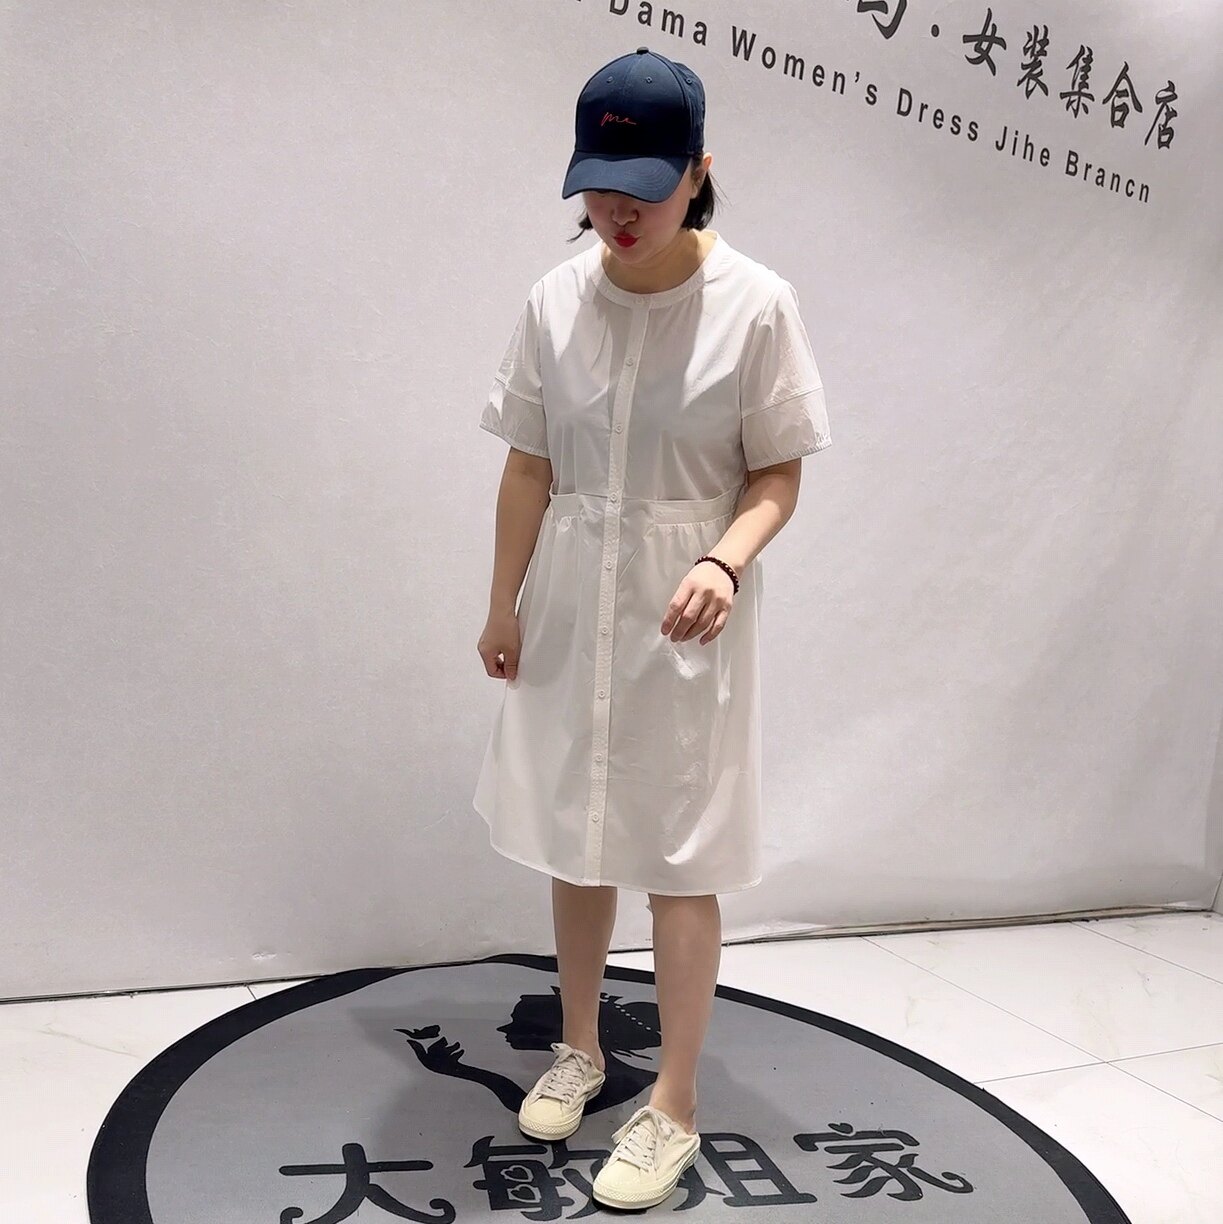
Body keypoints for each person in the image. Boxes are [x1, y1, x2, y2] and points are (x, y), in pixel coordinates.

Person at [473, 47, 831, 1210]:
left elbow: (776, 472)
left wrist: (725, 559)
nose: (616, 213)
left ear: (697, 172)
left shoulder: (755, 305)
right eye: (597, 187)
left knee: (681, 854)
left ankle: (672, 1098)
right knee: (576, 832)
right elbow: (528, 466)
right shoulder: (552, 299)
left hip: (686, 613)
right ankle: (578, 1045)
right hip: (572, 599)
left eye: (642, 187)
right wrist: (502, 600)